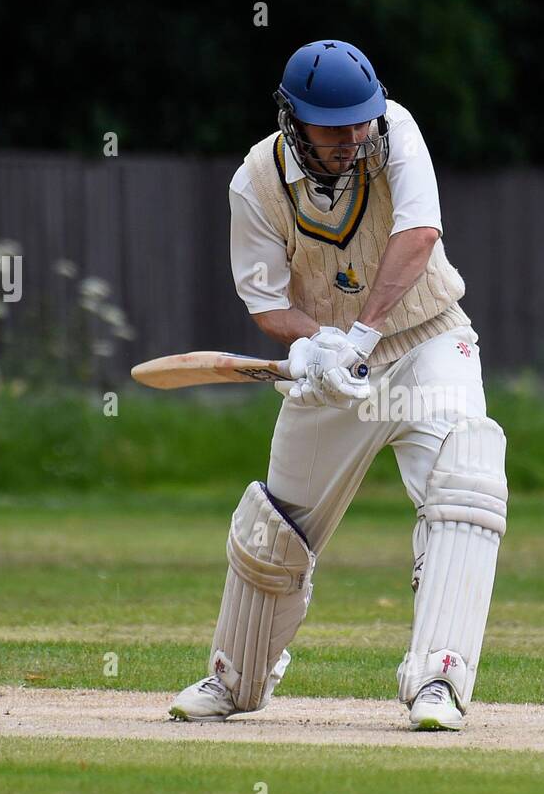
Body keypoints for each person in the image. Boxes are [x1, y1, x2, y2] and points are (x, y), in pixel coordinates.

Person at [169, 40, 507, 731]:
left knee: (464, 483)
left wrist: (362, 333)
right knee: (277, 528)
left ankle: (437, 678)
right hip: (330, 370)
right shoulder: (255, 183)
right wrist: (315, 345)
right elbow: (265, 302)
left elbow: (418, 233)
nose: (354, 138)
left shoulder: (395, 131)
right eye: (336, 126)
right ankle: (235, 679)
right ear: (293, 119)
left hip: (428, 339)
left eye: (362, 121)